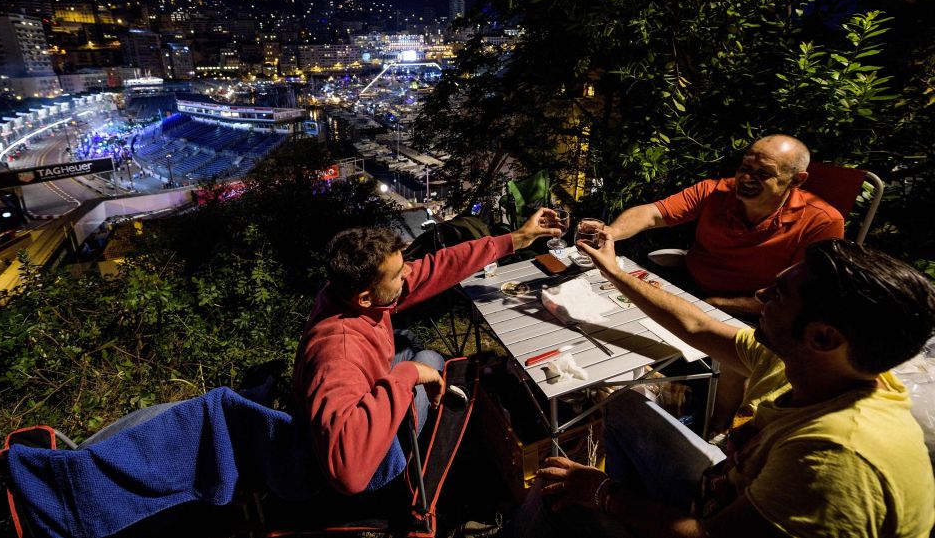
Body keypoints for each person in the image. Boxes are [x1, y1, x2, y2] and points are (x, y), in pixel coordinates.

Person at [517, 234, 935, 538]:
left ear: (824, 337)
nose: (760, 293)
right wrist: (613, 269)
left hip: (713, 524)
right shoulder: (809, 362)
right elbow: (695, 325)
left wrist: (604, 493)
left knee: (551, 499)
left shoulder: (834, 458)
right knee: (626, 405)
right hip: (727, 489)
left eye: (778, 294)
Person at [293, 208, 562, 495]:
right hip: (371, 464)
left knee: (405, 340)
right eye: (398, 275)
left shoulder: (348, 296)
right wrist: (408, 375)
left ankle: (422, 402)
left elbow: (438, 266)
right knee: (428, 360)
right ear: (366, 298)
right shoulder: (338, 352)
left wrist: (516, 239)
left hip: (363, 390)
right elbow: (348, 473)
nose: (407, 274)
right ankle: (410, 465)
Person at [604, 135, 843, 318]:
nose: (747, 179)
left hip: (752, 312)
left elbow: (798, 296)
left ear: (797, 180)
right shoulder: (716, 191)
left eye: (763, 174)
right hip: (689, 287)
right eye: (745, 168)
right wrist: (611, 233)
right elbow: (652, 214)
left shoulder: (820, 222)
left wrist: (714, 304)